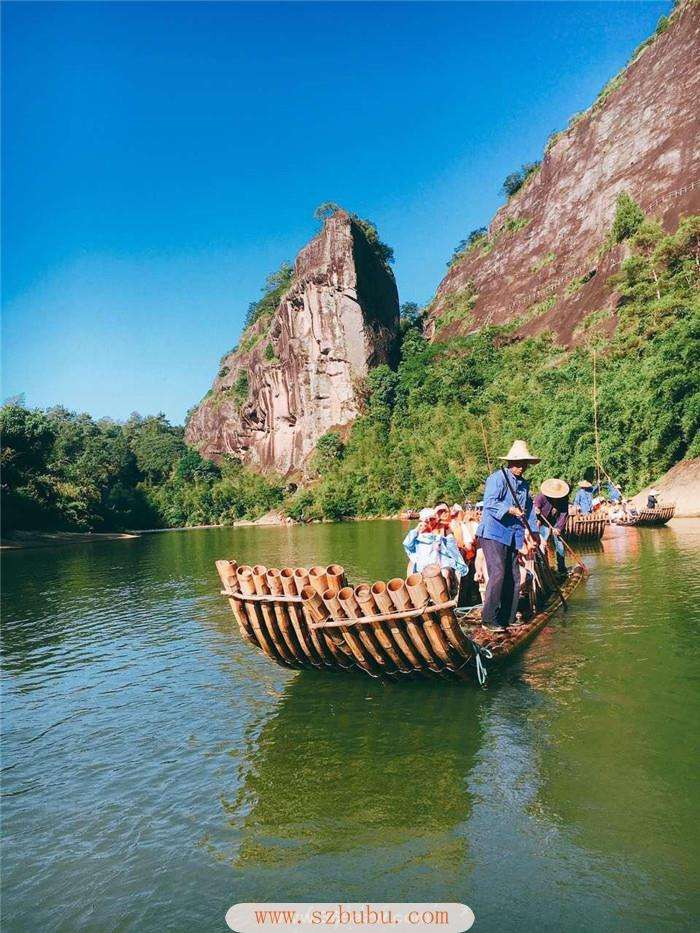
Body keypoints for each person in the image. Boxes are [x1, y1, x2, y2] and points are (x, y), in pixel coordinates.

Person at [477, 439, 540, 632]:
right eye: (518, 463)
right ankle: (488, 619)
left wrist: (534, 533)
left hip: (513, 535)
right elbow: (490, 502)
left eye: (524, 464)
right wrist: (510, 510)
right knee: (498, 573)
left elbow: (528, 510)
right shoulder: (497, 478)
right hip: (493, 532)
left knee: (513, 576)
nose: (521, 467)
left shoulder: (523, 484)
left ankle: (507, 617)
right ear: (510, 462)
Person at [403, 507, 468, 583]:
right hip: (424, 562)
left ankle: (447, 591)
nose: (429, 522)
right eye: (427, 520)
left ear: (436, 519)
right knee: (413, 570)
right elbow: (407, 544)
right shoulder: (418, 533)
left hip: (442, 561)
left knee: (445, 573)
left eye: (432, 519)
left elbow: (451, 546)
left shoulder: (446, 528)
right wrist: (418, 529)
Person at [534, 478, 570, 574]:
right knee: (543, 542)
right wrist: (536, 509)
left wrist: (558, 528)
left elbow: (564, 514)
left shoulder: (564, 499)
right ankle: (543, 568)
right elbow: (535, 506)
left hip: (556, 521)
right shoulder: (541, 497)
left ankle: (561, 568)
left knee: (559, 543)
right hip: (543, 520)